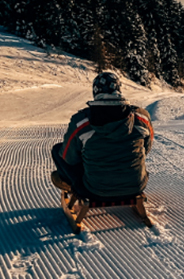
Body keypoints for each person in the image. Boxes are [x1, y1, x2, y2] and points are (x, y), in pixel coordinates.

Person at [50, 72, 153, 200]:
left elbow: (69, 158)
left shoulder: (81, 121)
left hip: (94, 190)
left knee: (58, 150)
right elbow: (146, 148)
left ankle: (72, 185)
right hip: (136, 186)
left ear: (95, 92)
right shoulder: (142, 117)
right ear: (118, 89)